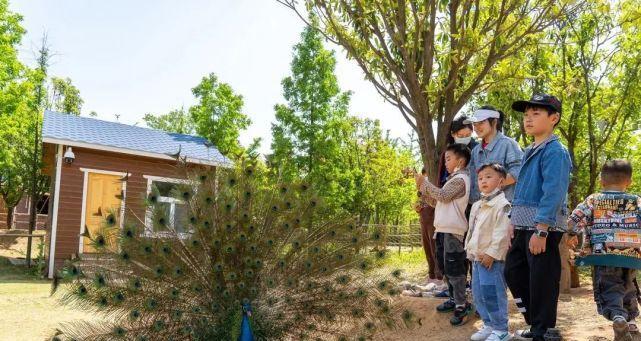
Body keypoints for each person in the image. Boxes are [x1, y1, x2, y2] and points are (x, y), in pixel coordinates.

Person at [504, 94, 572, 341]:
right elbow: (522, 190)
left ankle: (542, 330)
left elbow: (554, 191)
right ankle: (538, 326)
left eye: (536, 114)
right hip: (522, 225)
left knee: (542, 280)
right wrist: (512, 220)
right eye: (526, 114)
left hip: (543, 228)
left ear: (553, 118)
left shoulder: (555, 151)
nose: (528, 119)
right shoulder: (529, 150)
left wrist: (541, 229)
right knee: (513, 271)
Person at [567, 159, 641, 341]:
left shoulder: (594, 199)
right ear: (629, 182)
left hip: (603, 256)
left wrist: (570, 233)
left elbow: (575, 219)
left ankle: (618, 317)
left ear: (601, 181)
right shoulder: (636, 201)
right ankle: (630, 323)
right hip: (631, 255)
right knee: (629, 286)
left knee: (609, 288)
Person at [415, 143, 472, 326]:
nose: (445, 163)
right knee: (445, 266)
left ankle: (462, 305)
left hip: (453, 231)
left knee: (455, 269)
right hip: (442, 230)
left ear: (460, 161)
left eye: (448, 159)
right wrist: (422, 194)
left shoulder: (461, 179)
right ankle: (454, 299)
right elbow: (439, 201)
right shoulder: (452, 179)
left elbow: (443, 196)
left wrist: (424, 183)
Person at [466, 164, 512, 341]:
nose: (483, 180)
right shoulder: (477, 205)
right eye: (480, 178)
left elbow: (502, 232)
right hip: (477, 257)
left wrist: (492, 253)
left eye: (488, 177)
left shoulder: (503, 205)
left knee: (492, 291)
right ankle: (488, 324)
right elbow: (472, 230)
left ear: (501, 182)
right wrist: (470, 250)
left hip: (492, 259)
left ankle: (501, 329)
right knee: (478, 293)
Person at [465, 106, 523, 204]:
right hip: (480, 206)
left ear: (494, 122)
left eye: (481, 123)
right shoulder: (475, 151)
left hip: (504, 207)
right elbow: (473, 179)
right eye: (474, 124)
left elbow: (518, 172)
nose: (476, 127)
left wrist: (493, 185)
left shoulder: (508, 144)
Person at [415, 167, 443, 283]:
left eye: (426, 176)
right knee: (426, 247)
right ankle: (431, 275)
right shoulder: (421, 186)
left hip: (433, 219)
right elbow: (420, 201)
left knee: (434, 247)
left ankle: (439, 276)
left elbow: (437, 201)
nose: (425, 178)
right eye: (424, 176)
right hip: (423, 219)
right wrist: (418, 208)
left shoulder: (434, 185)